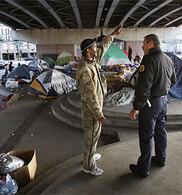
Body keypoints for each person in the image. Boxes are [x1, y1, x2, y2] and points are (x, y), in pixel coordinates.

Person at [76, 24, 123, 176]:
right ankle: (89, 166)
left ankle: (90, 155)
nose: (97, 48)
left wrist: (113, 34)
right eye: (94, 47)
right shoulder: (85, 70)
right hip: (91, 111)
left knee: (94, 136)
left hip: (95, 108)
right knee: (91, 137)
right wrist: (99, 114)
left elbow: (104, 45)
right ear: (88, 50)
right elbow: (90, 97)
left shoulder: (93, 60)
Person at [129, 34, 176, 178]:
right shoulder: (168, 58)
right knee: (160, 131)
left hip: (150, 105)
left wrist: (136, 107)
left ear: (150, 43)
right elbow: (173, 81)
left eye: (144, 43)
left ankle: (143, 168)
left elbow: (143, 87)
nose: (142, 46)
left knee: (146, 135)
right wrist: (161, 90)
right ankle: (161, 159)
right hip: (163, 102)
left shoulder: (149, 60)